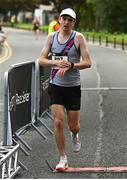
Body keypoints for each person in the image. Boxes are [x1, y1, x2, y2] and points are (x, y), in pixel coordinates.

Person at [39, 8, 92, 171]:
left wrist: (71, 65)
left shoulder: (78, 38)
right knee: (58, 122)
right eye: (64, 19)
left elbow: (88, 62)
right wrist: (55, 63)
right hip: (56, 85)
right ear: (59, 20)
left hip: (73, 87)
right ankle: (63, 158)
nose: (66, 22)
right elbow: (41, 60)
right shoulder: (51, 37)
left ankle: (75, 135)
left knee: (73, 125)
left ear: (73, 22)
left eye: (70, 20)